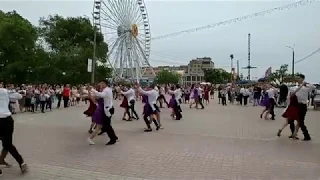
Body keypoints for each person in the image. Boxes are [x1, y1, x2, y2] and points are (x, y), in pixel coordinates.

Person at [0, 86, 28, 175]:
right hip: (7, 120)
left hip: (4, 120)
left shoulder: (4, 91)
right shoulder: (5, 91)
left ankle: (2, 160)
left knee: (7, 143)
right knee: (8, 143)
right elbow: (19, 96)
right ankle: (21, 162)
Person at [90, 80, 118, 145]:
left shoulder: (106, 90)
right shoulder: (108, 89)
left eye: (102, 83)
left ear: (105, 84)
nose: (101, 84)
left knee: (107, 125)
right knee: (107, 125)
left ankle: (113, 139)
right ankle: (114, 137)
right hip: (108, 108)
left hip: (108, 109)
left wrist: (93, 90)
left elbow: (101, 95)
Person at [287, 74, 315, 141]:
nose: (297, 79)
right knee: (290, 120)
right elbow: (291, 94)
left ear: (302, 79)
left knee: (301, 121)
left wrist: (306, 84)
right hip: (295, 105)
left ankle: (307, 136)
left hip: (302, 105)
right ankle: (294, 133)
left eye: (299, 78)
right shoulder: (294, 87)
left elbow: (313, 87)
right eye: (297, 78)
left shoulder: (306, 87)